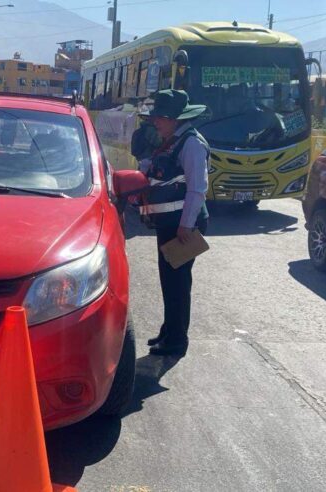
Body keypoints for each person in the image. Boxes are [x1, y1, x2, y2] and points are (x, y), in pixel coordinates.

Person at [137, 89, 210, 357]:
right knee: (169, 281)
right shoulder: (171, 141)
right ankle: (169, 330)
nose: (156, 121)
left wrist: (186, 226)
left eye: (161, 117)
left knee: (177, 283)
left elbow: (197, 189)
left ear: (176, 119)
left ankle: (177, 340)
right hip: (169, 223)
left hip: (182, 225)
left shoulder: (191, 144)